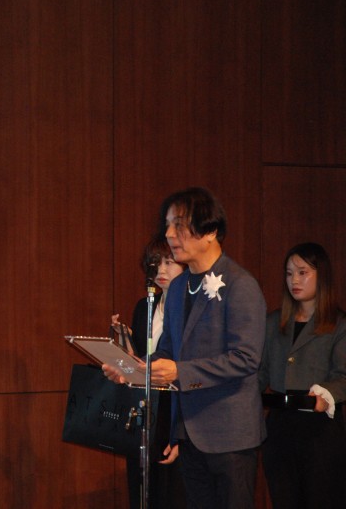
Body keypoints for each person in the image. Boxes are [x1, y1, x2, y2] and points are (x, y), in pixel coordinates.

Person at [104, 187, 266, 509]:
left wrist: (180, 371)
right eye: (168, 225)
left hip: (230, 435)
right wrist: (131, 370)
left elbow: (246, 358)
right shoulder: (178, 287)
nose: (169, 234)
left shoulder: (240, 284)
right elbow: (167, 352)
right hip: (189, 432)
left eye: (178, 225)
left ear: (210, 230)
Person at [258, 242, 346, 509]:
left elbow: (343, 375)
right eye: (289, 273)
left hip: (320, 430)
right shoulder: (274, 322)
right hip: (280, 426)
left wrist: (326, 395)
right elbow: (260, 374)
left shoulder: (339, 324)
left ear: (322, 275)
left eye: (302, 272)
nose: (294, 280)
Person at [113, 236, 187, 509]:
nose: (161, 270)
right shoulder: (144, 306)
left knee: (173, 493)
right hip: (146, 408)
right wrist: (123, 343)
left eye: (169, 262)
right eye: (155, 263)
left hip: (175, 407)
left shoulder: (192, 309)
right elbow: (141, 361)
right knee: (143, 490)